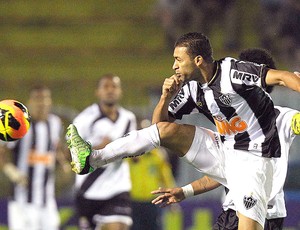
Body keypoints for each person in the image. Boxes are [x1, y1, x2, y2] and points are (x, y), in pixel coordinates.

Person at [66, 32, 300, 229]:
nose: (174, 66)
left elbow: (281, 78)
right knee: (166, 131)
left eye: (178, 59)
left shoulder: (231, 72)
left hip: (255, 163)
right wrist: (165, 98)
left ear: (198, 60)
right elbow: (159, 129)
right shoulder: (192, 91)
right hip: (226, 152)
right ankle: (93, 158)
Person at [151, 48, 300, 230]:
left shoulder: (283, 117)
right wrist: (185, 191)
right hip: (242, 211)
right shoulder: (232, 121)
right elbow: (224, 171)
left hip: (258, 212)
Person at [72, 73, 137, 230]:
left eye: (114, 86)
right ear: (98, 92)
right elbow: (74, 156)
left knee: (118, 226)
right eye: (105, 87)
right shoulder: (84, 120)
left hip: (118, 188)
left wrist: (135, 152)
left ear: (120, 91)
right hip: (89, 190)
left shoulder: (129, 119)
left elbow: (133, 150)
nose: (110, 90)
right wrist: (100, 149)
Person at [0, 85, 68, 230]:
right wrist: (12, 172)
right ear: (29, 102)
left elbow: (55, 148)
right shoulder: (18, 125)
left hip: (47, 200)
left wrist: (62, 163)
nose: (42, 103)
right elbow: (1, 154)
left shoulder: (54, 123)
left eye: (45, 99)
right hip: (21, 201)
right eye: (37, 99)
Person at [128, 118, 177, 230]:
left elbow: (166, 177)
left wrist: (172, 197)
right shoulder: (128, 154)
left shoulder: (157, 155)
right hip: (132, 202)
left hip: (152, 201)